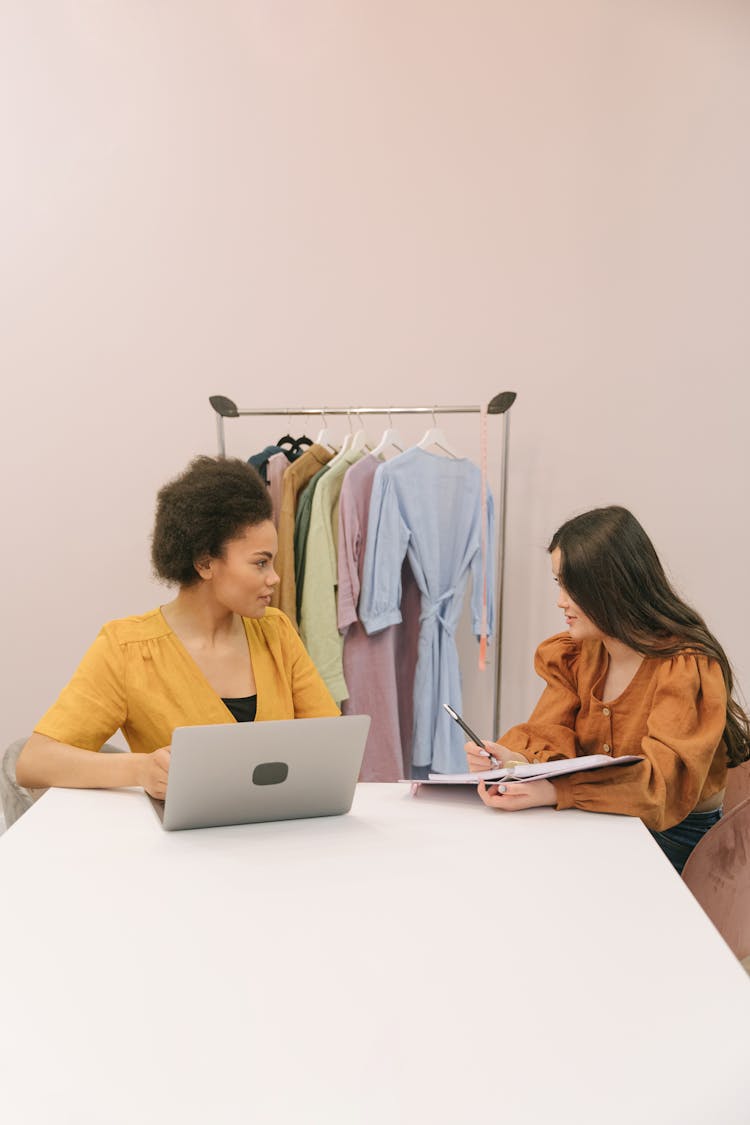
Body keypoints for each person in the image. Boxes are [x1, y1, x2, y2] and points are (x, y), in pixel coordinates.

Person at [16, 456, 339, 801]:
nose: (274, 578)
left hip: (287, 836)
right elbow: (34, 762)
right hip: (185, 848)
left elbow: (331, 744)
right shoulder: (127, 647)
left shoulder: (276, 632)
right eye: (260, 563)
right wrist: (140, 770)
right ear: (204, 563)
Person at [465, 506, 750, 873]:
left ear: (612, 588)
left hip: (678, 837)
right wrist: (513, 761)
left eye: (572, 587)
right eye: (559, 584)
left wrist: (558, 790)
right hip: (605, 818)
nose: (561, 601)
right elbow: (551, 732)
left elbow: (662, 788)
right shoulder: (577, 655)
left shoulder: (686, 664)